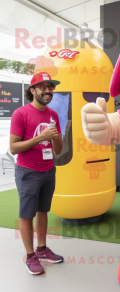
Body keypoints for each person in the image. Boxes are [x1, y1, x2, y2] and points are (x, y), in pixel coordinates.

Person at [10, 72, 64, 275]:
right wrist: (40, 137)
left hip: (49, 170)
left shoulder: (53, 115)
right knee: (27, 215)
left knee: (43, 211)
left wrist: (55, 137)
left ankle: (42, 249)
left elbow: (58, 149)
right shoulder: (20, 114)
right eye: (43, 87)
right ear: (32, 90)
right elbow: (14, 148)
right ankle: (30, 255)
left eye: (50, 87)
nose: (48, 90)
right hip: (28, 171)